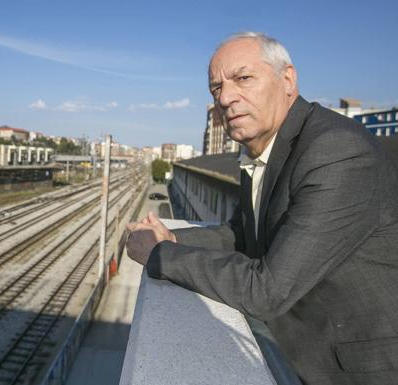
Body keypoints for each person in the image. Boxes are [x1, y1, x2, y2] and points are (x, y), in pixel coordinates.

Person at [126, 32, 398, 385]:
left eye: (243, 79)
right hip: (306, 353)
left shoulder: (336, 150)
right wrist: (172, 238)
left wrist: (159, 254)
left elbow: (267, 291)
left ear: (287, 80)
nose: (225, 98)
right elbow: (242, 235)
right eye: (215, 89)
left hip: (361, 369)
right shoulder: (267, 148)